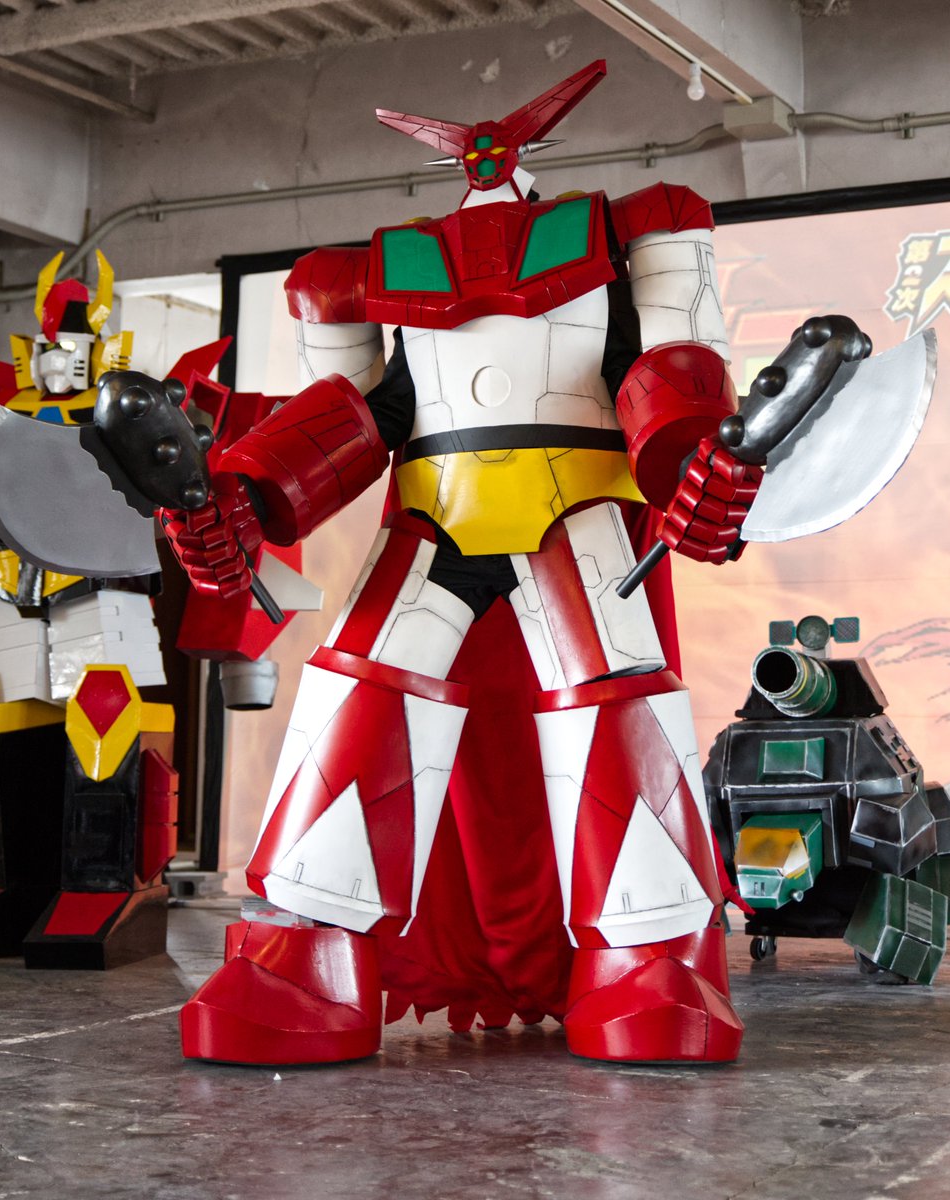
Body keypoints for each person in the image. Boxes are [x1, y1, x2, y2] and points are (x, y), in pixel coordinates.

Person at [163, 58, 762, 1064]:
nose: (486, 162)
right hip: (433, 513)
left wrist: (694, 465)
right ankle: (307, 953)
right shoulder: (374, 275)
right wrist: (248, 494)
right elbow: (356, 417)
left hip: (581, 509)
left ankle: (649, 958)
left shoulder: (629, 239)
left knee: (610, 700)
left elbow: (666, 378)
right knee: (360, 697)